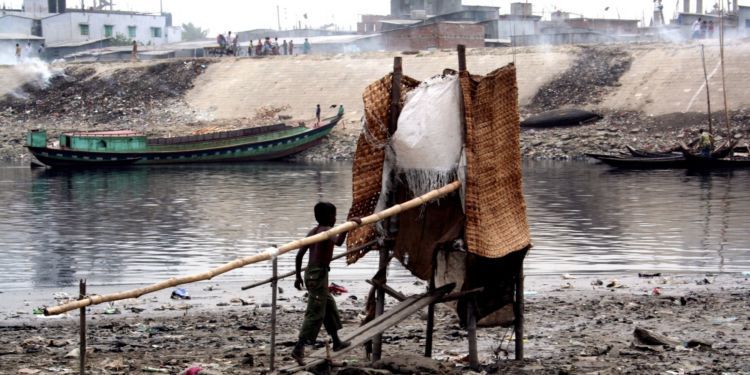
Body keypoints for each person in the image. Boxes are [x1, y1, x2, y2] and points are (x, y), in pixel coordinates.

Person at [291, 202, 360, 365]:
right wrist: (348, 228)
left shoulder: (313, 232)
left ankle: (336, 341)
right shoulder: (328, 231)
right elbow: (339, 242)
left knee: (329, 306)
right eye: (334, 216)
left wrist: (298, 276)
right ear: (329, 217)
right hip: (318, 275)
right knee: (315, 312)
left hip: (312, 274)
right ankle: (298, 348)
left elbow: (299, 255)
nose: (335, 218)